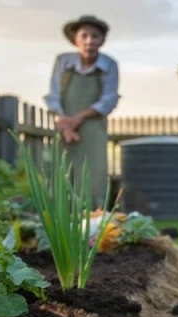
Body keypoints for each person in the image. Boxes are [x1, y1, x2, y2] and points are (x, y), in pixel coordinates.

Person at [45, 15, 120, 200]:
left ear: (102, 40)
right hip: (64, 128)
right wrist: (65, 125)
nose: (89, 41)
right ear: (75, 39)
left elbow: (108, 100)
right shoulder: (63, 62)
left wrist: (78, 119)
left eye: (95, 36)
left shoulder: (109, 65)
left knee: (93, 176)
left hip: (93, 127)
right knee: (62, 176)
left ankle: (93, 215)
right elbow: (54, 96)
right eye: (84, 36)